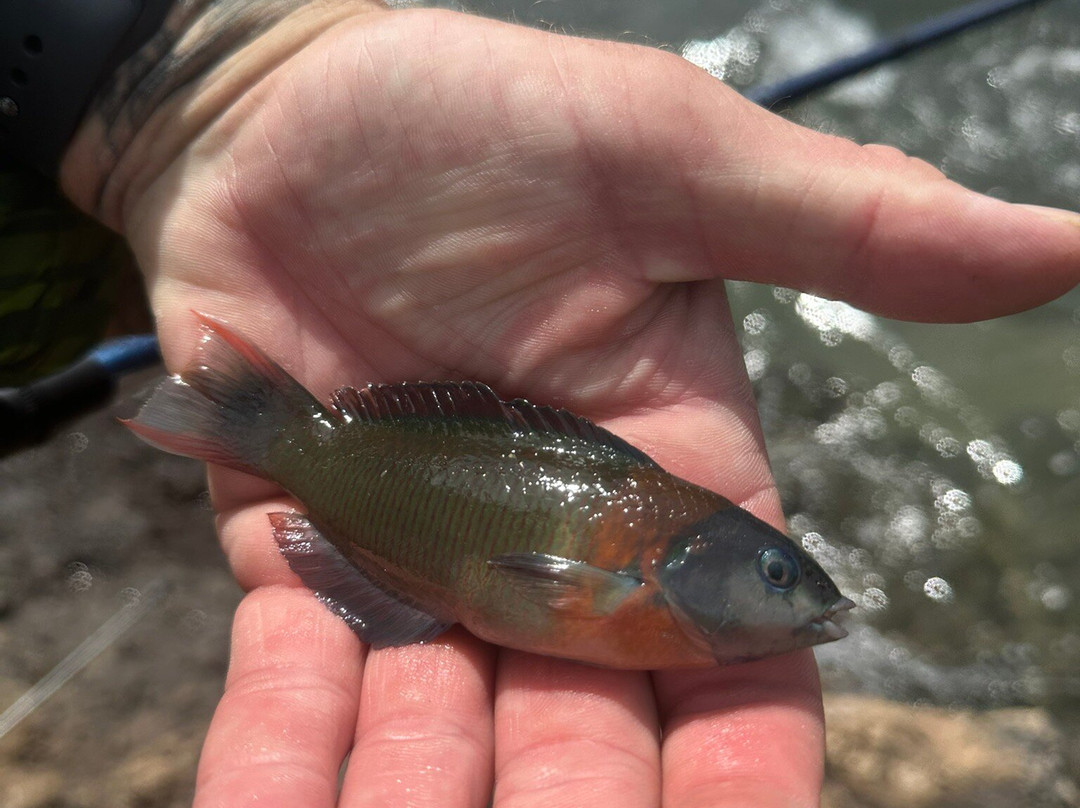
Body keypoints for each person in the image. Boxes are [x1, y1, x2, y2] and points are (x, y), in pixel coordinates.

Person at [37, 1, 1080, 805]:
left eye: (782, 570)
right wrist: (198, 80)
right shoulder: (631, 568)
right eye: (774, 569)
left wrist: (194, 77)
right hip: (350, 454)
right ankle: (261, 421)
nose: (797, 594)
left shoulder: (651, 576)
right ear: (689, 561)